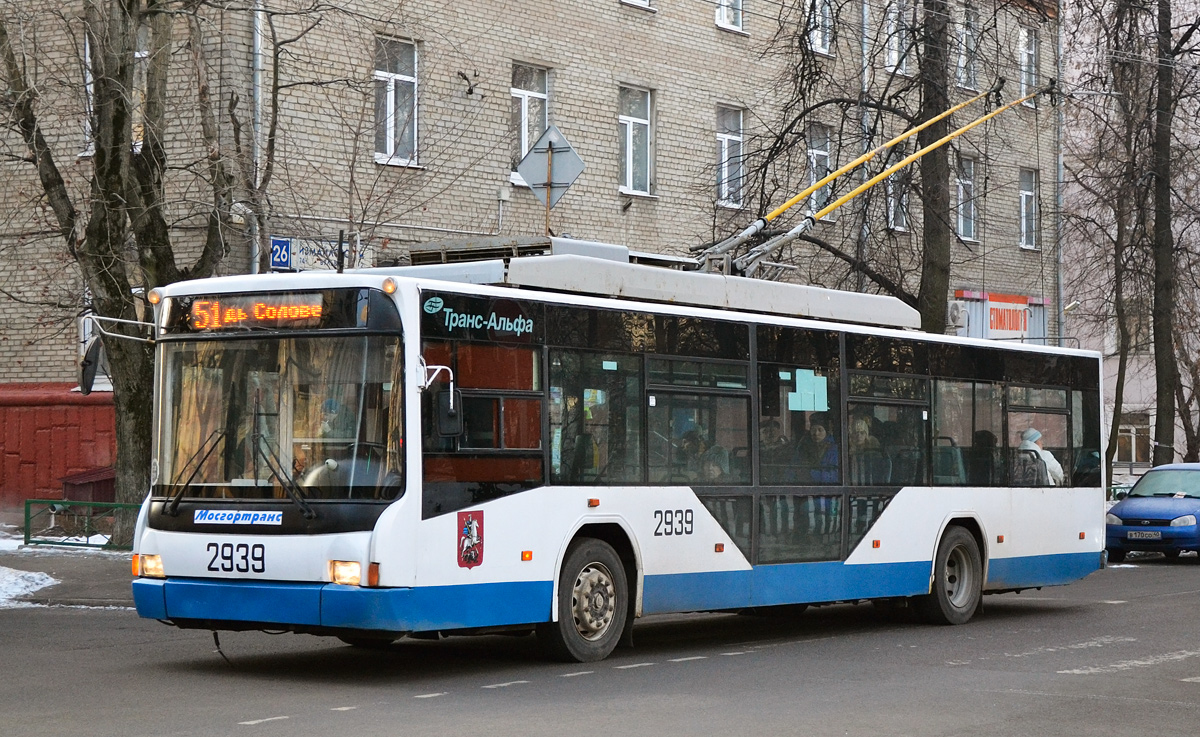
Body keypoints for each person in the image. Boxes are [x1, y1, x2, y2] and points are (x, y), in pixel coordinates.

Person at [799, 418, 838, 483]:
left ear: (826, 432)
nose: (816, 433)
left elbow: (836, 476)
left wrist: (811, 474)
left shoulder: (834, 450)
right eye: (813, 430)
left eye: (820, 430)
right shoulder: (803, 447)